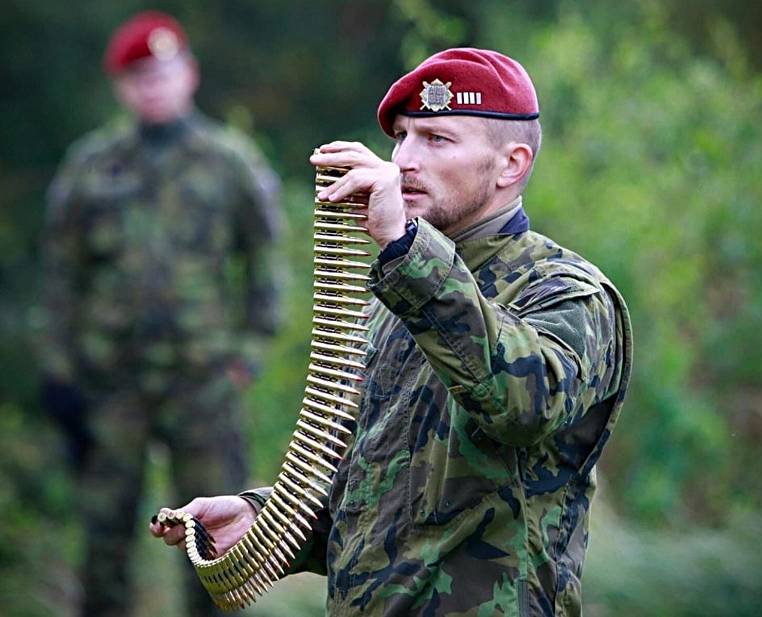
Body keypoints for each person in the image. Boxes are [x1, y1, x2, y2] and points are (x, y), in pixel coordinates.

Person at [151, 47, 632, 616]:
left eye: (436, 139)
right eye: (401, 137)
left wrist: (405, 248)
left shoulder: (567, 292)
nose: (404, 160)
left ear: (511, 164)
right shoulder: (399, 295)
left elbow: (523, 403)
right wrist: (264, 518)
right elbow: (375, 492)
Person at [40, 11, 284, 617]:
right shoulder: (92, 168)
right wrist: (61, 374)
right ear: (123, 88)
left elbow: (266, 262)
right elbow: (61, 277)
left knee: (214, 542)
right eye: (140, 77)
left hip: (202, 381)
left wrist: (247, 357)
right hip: (110, 385)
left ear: (190, 76)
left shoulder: (229, 163)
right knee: (104, 539)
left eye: (165, 73)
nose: (154, 87)